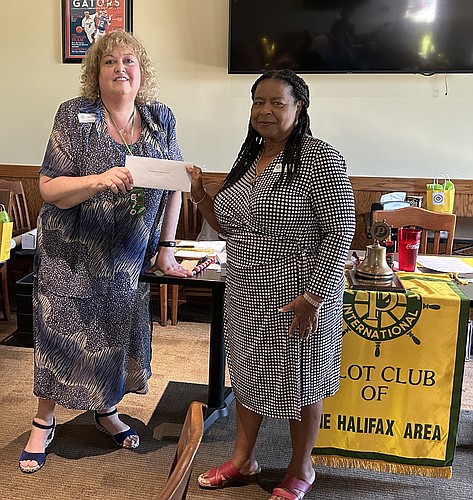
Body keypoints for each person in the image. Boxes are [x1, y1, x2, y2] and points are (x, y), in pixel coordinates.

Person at [18, 30, 191, 474]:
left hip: (127, 256)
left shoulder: (160, 119)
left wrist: (167, 248)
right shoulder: (74, 115)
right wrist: (96, 180)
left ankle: (106, 410)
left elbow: (174, 187)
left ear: (141, 71)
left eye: (129, 61)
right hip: (70, 253)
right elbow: (49, 187)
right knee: (61, 335)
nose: (120, 69)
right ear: (96, 73)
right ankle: (44, 419)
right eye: (110, 62)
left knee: (114, 335)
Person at [187, 69, 355, 499]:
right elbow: (227, 223)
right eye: (258, 101)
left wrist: (315, 296)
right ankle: (244, 461)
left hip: (299, 293)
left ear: (299, 108)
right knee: (245, 378)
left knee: (303, 383)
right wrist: (200, 194)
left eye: (277, 102)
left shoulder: (319, 159)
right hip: (244, 292)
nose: (265, 111)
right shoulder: (251, 159)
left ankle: (302, 468)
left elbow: (341, 231)